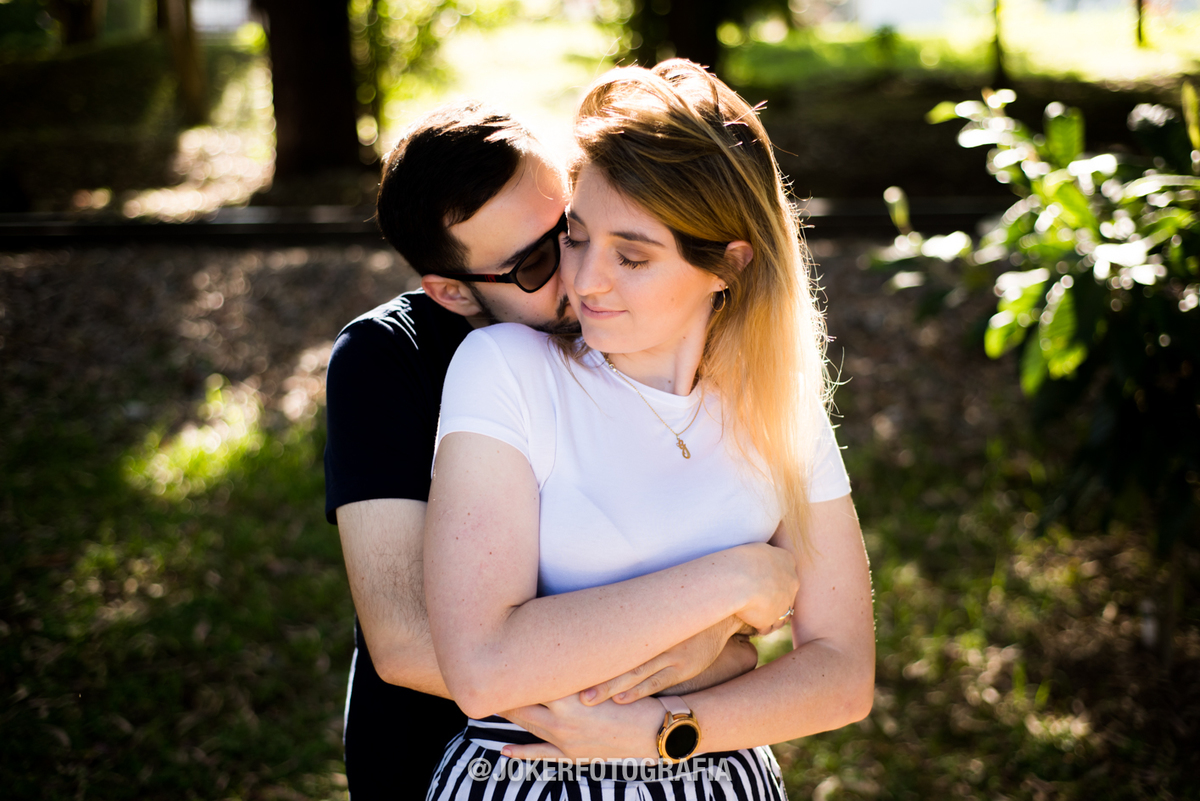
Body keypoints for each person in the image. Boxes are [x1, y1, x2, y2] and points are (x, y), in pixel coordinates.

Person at [423, 60, 876, 799]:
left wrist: (665, 728)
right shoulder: (506, 369)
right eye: (575, 237)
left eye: (632, 255)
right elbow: (483, 666)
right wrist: (742, 580)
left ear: (728, 263)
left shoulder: (778, 406)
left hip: (717, 773)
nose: (587, 278)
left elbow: (844, 675)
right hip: (530, 778)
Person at [325, 101, 762, 799]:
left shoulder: (633, 327)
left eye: (572, 228)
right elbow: (409, 643)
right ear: (451, 291)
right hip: (439, 756)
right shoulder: (384, 362)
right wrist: (710, 659)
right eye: (533, 263)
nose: (583, 275)